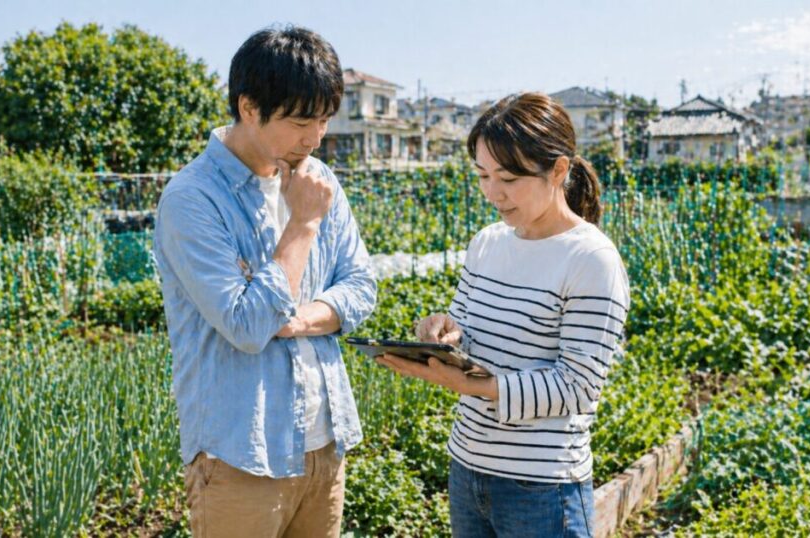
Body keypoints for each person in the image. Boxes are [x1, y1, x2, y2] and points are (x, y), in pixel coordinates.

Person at [152, 25, 376, 538]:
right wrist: (302, 225)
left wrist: (295, 320)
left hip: (323, 445)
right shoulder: (193, 200)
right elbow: (249, 325)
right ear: (249, 107)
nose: (315, 138)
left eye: (323, 120)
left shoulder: (318, 179)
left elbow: (361, 285)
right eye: (301, 121)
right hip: (241, 455)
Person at [377, 92, 630, 538]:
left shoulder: (592, 259)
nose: (493, 192)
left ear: (558, 170)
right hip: (468, 466)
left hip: (543, 487)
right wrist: (440, 331)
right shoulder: (488, 243)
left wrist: (472, 385)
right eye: (483, 175)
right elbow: (464, 332)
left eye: (509, 178)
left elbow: (577, 385)